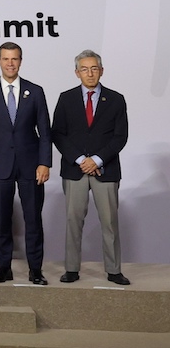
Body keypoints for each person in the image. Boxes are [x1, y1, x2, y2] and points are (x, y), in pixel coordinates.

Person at [0, 42, 54, 284]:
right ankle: (3, 268)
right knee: (2, 219)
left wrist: (45, 162)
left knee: (33, 219)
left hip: (31, 165)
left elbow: (45, 131)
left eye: (15, 59)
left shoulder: (35, 91)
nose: (10, 63)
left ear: (20, 61)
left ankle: (35, 270)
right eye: (6, 59)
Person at [53, 50, 129, 285]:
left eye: (94, 68)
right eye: (84, 69)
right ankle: (71, 269)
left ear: (101, 71)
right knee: (73, 221)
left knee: (109, 222)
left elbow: (120, 136)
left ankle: (114, 270)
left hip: (105, 170)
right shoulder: (66, 98)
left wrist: (96, 160)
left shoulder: (116, 99)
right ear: (77, 73)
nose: (90, 73)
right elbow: (58, 134)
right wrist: (80, 160)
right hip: (74, 170)